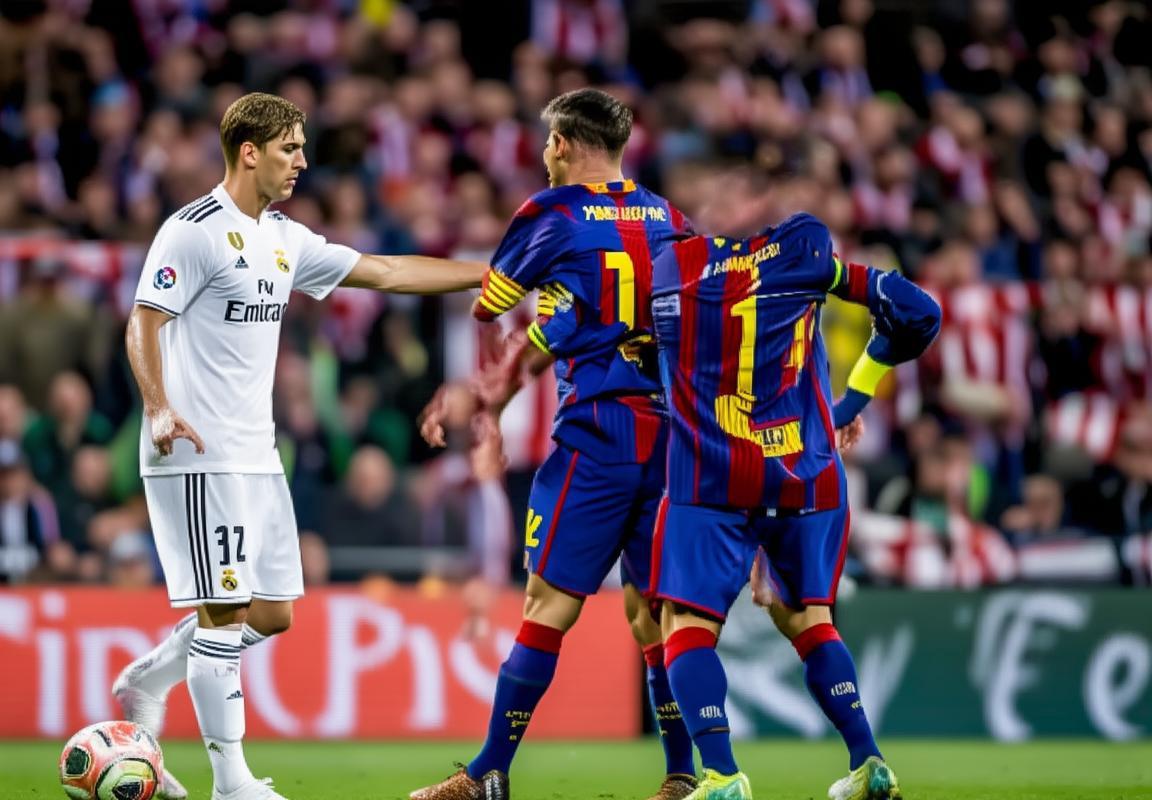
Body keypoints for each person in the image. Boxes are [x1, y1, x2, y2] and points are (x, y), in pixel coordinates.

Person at [110, 92, 487, 800]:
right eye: (290, 148)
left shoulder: (284, 237)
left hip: (259, 452)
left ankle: (148, 679)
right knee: (224, 613)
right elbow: (143, 321)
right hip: (197, 450)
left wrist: (491, 276)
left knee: (273, 611)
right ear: (250, 151)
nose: (302, 162)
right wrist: (157, 408)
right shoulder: (191, 231)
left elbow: (387, 271)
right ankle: (231, 782)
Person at [412, 88, 697, 800]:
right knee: (654, 613)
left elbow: (491, 303)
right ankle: (683, 776)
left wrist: (528, 332)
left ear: (564, 144)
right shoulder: (670, 219)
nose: (545, 155)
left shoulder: (553, 212)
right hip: (670, 436)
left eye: (548, 143)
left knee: (547, 605)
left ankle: (488, 772)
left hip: (599, 432)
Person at [648, 214, 941, 800]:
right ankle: (868, 761)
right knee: (809, 621)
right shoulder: (805, 257)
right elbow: (919, 312)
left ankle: (722, 774)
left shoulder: (676, 267)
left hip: (716, 472)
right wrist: (852, 397)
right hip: (804, 474)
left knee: (686, 623)